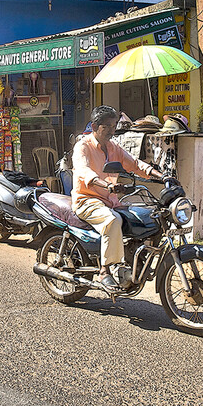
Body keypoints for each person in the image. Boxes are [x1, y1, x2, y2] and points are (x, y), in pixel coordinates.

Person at [70, 105, 166, 292]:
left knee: (146, 217)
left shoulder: (113, 147)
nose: (112, 131)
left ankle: (132, 261)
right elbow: (84, 171)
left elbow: (135, 164)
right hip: (86, 200)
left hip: (111, 201)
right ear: (96, 126)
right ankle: (105, 271)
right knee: (112, 221)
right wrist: (107, 185)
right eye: (108, 126)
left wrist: (161, 176)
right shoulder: (83, 146)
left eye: (114, 126)